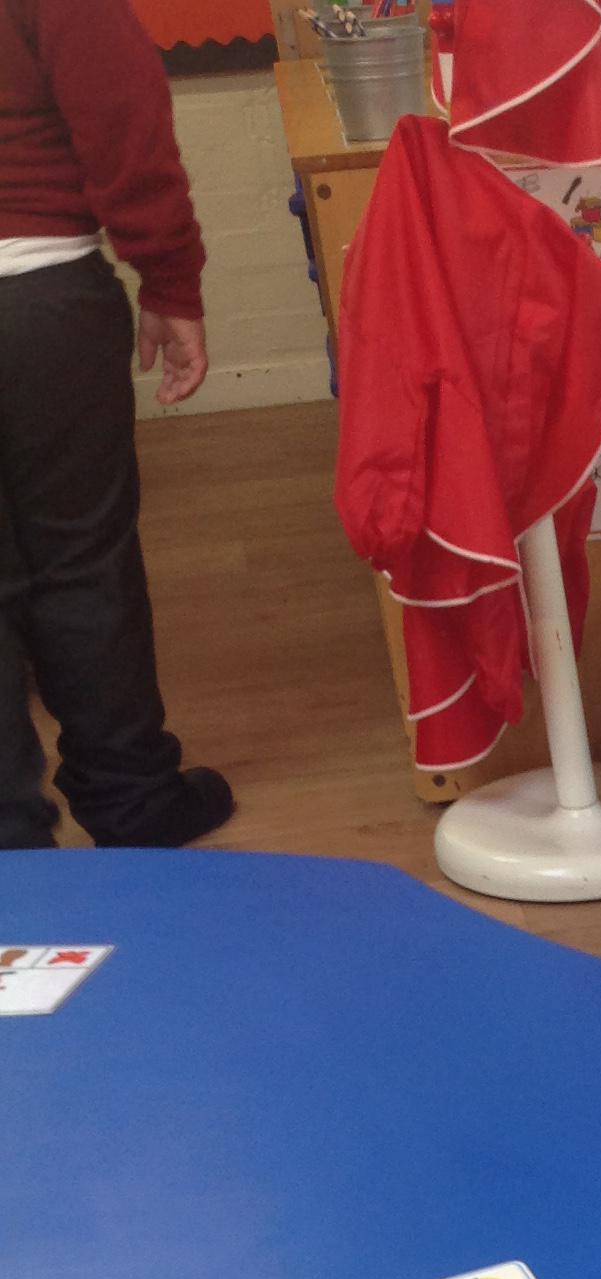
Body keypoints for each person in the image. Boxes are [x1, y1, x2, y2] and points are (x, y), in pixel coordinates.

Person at [0, 0, 232, 850]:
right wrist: (170, 280)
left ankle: (8, 844)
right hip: (36, 294)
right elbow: (122, 118)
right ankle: (133, 801)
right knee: (82, 562)